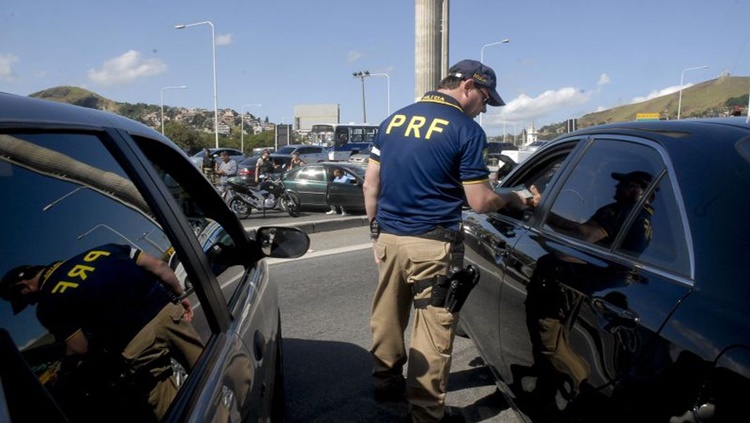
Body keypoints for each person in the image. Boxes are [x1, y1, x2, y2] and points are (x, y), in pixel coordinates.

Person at [362, 59, 531, 423]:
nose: (484, 109)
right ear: (469, 86)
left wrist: (375, 234)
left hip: (389, 238)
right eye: (485, 99)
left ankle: (385, 381)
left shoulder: (393, 120)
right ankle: (425, 414)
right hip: (432, 243)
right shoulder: (466, 131)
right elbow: (481, 202)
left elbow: (370, 185)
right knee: (433, 327)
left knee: (388, 313)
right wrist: (513, 197)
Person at [0, 243, 204, 420]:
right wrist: (179, 295)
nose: (29, 303)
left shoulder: (47, 304)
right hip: (168, 314)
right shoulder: (105, 250)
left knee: (171, 405)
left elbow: (79, 347)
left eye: (24, 299)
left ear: (22, 285)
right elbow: (159, 266)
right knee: (208, 370)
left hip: (136, 344)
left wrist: (66, 369)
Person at [547, 170, 656, 253]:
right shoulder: (644, 217)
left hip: (597, 274)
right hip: (618, 276)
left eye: (624, 183)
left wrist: (545, 214)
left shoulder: (619, 211)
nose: (617, 185)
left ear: (637, 190)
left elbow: (584, 235)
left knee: (547, 261)